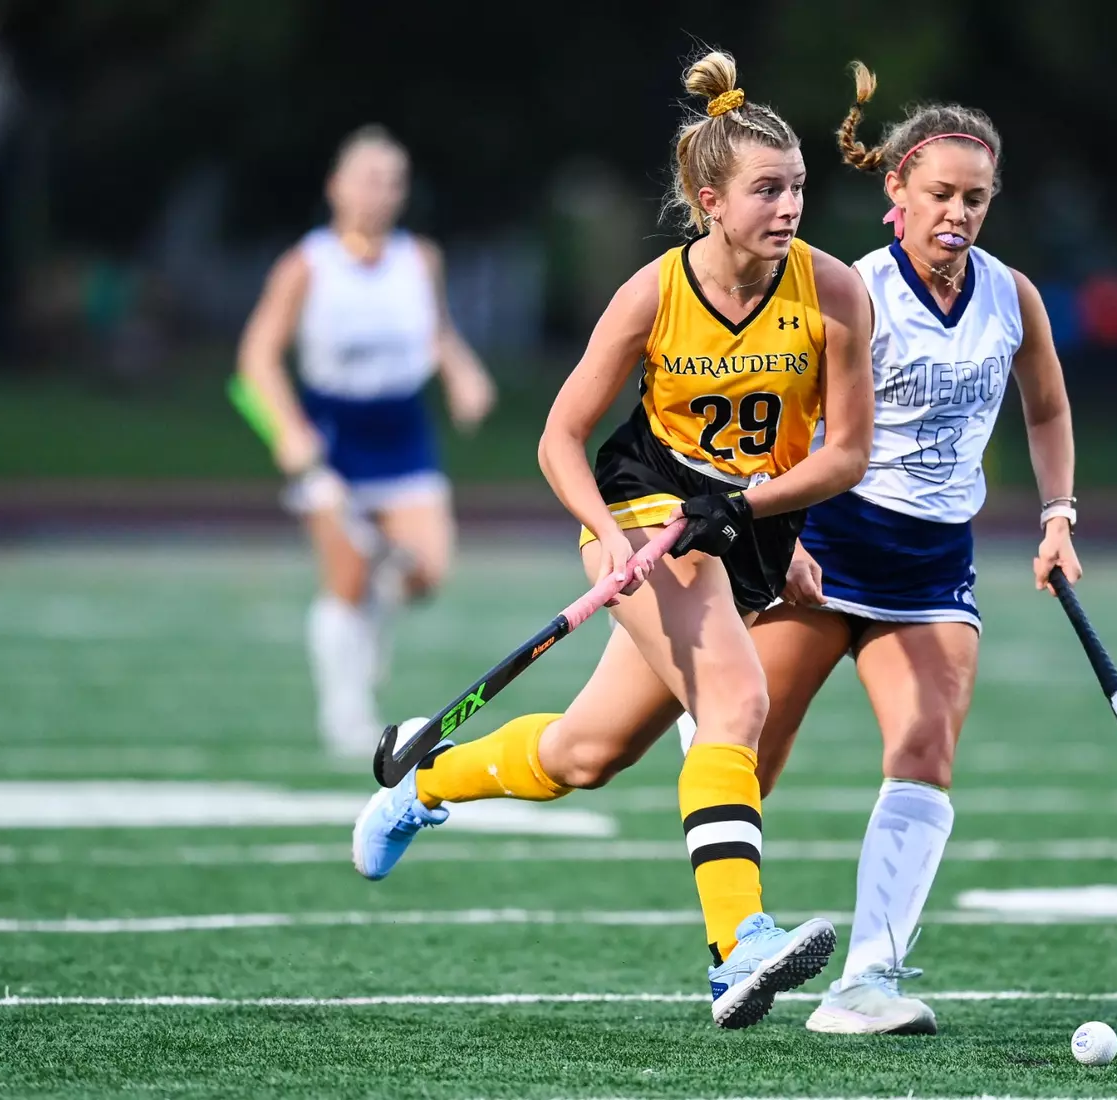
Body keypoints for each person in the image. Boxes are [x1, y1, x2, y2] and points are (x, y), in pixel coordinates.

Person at [349, 51, 875, 1030]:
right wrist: (604, 536)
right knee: (735, 699)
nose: (789, 207)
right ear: (709, 201)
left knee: (583, 753)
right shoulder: (652, 294)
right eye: (767, 189)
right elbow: (559, 437)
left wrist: (755, 510)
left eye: (797, 186)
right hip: (644, 512)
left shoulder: (833, 291)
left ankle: (423, 780)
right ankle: (736, 946)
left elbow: (846, 452)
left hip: (745, 531)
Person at [678, 61, 1083, 1034]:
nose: (958, 214)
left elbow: (1046, 408)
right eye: (939, 193)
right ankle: (733, 951)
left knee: (924, 748)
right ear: (895, 187)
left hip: (932, 563)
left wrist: (1056, 516)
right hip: (826, 546)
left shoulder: (1011, 296)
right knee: (749, 748)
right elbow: (784, 421)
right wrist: (773, 533)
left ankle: (867, 980)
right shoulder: (848, 290)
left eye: (975, 198)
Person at [237, 125, 497, 761]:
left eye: (393, 182)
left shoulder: (420, 259)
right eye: (368, 179)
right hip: (334, 438)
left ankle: (374, 620)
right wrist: (287, 431)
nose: (381, 193)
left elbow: (436, 331)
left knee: (426, 571)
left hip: (403, 432)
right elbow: (257, 357)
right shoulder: (306, 265)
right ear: (336, 187)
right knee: (348, 574)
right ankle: (345, 712)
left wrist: (462, 373)